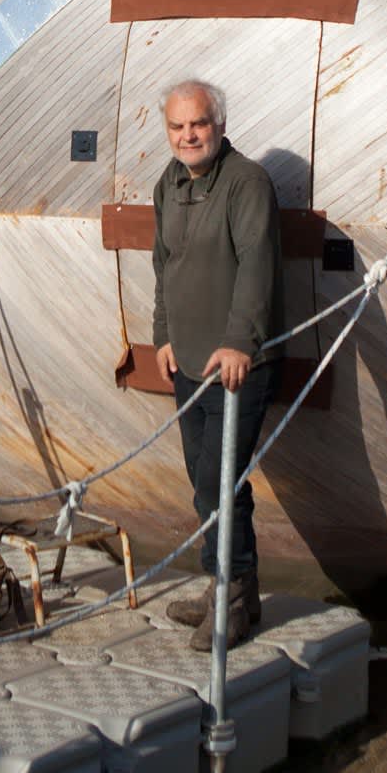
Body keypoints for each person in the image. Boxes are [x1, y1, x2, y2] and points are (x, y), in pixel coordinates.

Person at [151, 77, 281, 650]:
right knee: (213, 484)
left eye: (197, 124)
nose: (188, 136)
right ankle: (237, 591)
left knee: (215, 482)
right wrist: (163, 336)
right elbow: (165, 264)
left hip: (236, 365)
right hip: (189, 362)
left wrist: (239, 342)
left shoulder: (246, 182)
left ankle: (227, 599)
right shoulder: (168, 183)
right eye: (177, 127)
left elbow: (257, 264)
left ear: (219, 125)